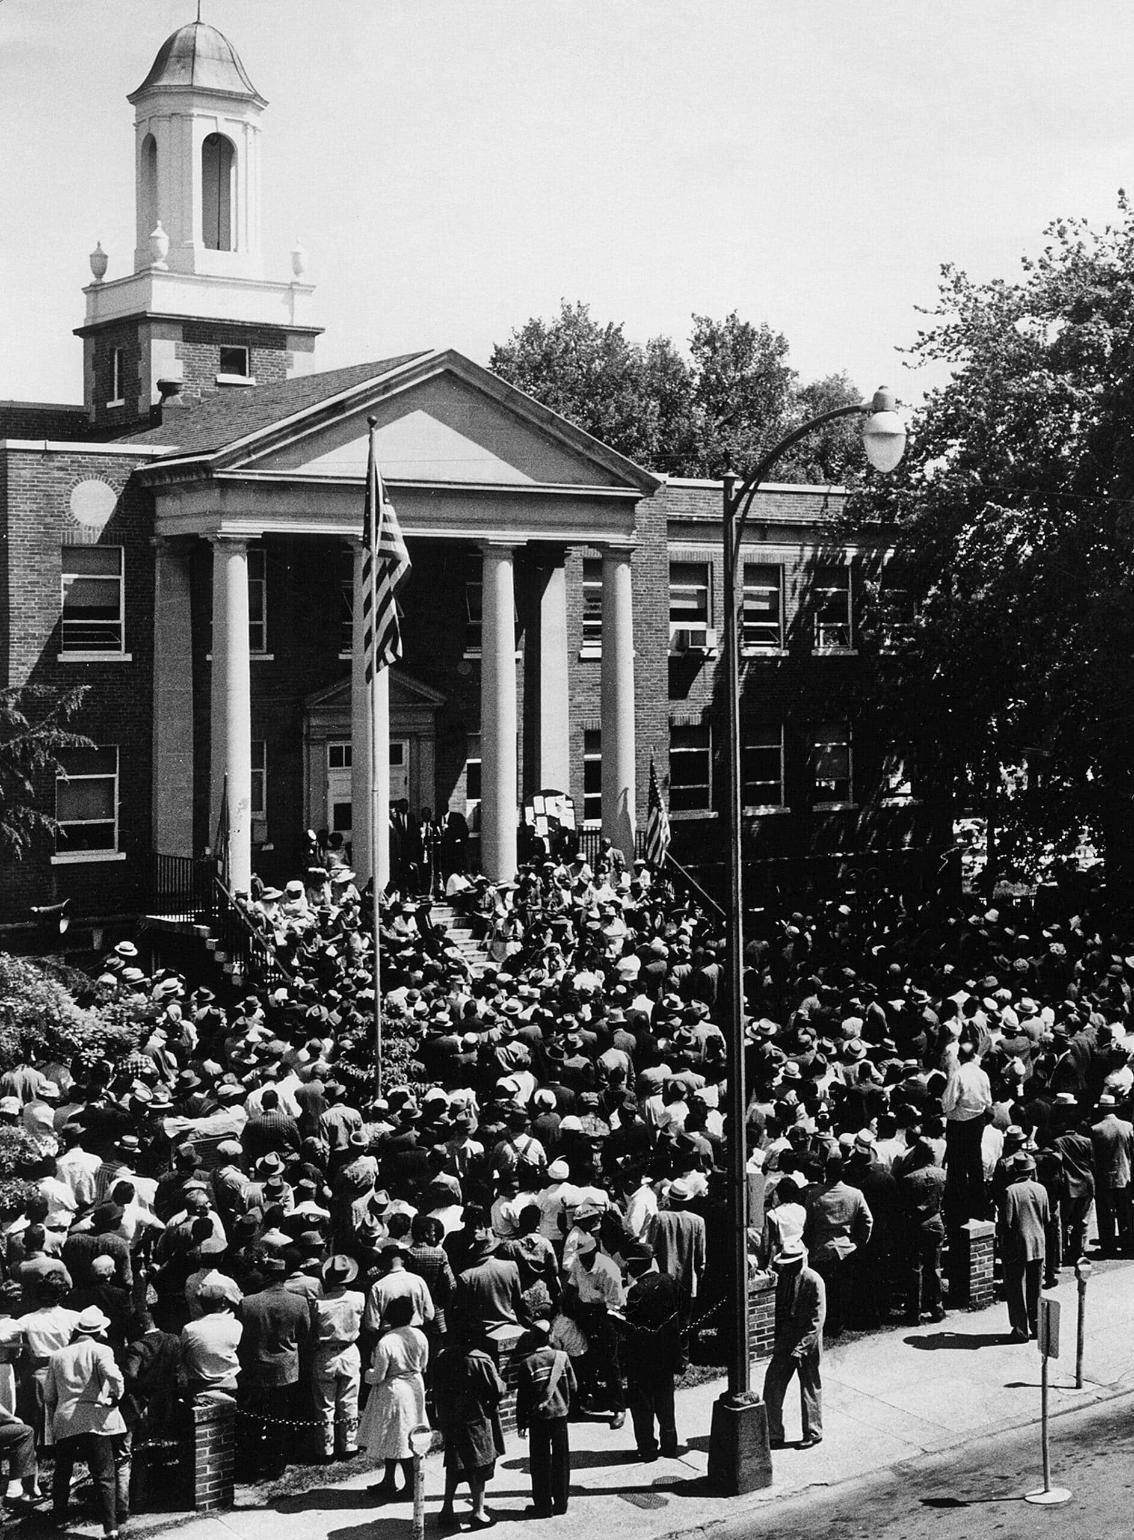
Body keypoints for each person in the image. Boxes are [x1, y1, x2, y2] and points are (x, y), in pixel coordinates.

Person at [45, 1305, 128, 1538]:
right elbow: (114, 1375)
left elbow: (49, 1396)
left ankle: (58, 1519)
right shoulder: (101, 1350)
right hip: (94, 1418)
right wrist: (115, 1395)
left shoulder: (57, 1356)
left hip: (65, 1420)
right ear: (99, 1330)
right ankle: (110, 1527)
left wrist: (58, 1411)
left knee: (62, 1471)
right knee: (104, 1475)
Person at [432, 1325, 507, 1529]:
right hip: (477, 1420)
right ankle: (478, 1512)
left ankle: (447, 1509)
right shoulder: (480, 1359)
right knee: (479, 1465)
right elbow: (497, 1389)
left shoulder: (442, 1357)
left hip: (451, 1419)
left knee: (455, 1464)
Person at [357, 1295, 429, 1502]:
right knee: (395, 1435)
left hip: (394, 1390)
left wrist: (366, 1373)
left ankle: (411, 1486)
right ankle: (389, 1480)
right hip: (414, 1385)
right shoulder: (419, 1336)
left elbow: (379, 1375)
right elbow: (423, 1364)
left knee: (401, 1436)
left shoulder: (386, 1341)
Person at [762, 1237, 825, 1450]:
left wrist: (802, 1348)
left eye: (791, 1263)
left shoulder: (814, 1280)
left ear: (801, 1260)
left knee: (809, 1385)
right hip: (786, 1340)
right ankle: (773, 1433)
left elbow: (817, 1320)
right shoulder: (784, 1278)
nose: (787, 1268)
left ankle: (812, 1432)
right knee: (773, 1383)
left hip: (808, 1341)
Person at [622, 1249, 682, 1461]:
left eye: (631, 1264)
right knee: (666, 1401)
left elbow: (632, 1326)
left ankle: (647, 1448)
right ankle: (669, 1443)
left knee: (642, 1405)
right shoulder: (668, 1281)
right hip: (665, 1354)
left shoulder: (636, 1292)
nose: (628, 1268)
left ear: (639, 1265)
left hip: (642, 1358)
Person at [515, 1317, 575, 1516]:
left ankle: (543, 1506)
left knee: (540, 1462)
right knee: (561, 1459)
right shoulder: (562, 1357)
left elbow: (522, 1398)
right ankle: (561, 1503)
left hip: (538, 1418)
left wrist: (521, 1422)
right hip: (560, 1415)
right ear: (550, 1337)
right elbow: (573, 1386)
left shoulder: (527, 1364)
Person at [312, 1254, 365, 1461]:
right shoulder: (358, 1298)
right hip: (349, 1350)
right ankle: (349, 1444)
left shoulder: (319, 1303)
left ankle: (326, 1449)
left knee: (325, 1404)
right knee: (349, 1401)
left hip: (326, 1352)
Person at [997, 1151, 1049, 1342]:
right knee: (1036, 1288)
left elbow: (1006, 1222)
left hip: (1016, 1246)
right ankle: (1037, 1327)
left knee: (1016, 1288)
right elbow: (1047, 1218)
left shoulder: (1010, 1191)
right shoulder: (1041, 1189)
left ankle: (1020, 1329)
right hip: (1038, 1243)